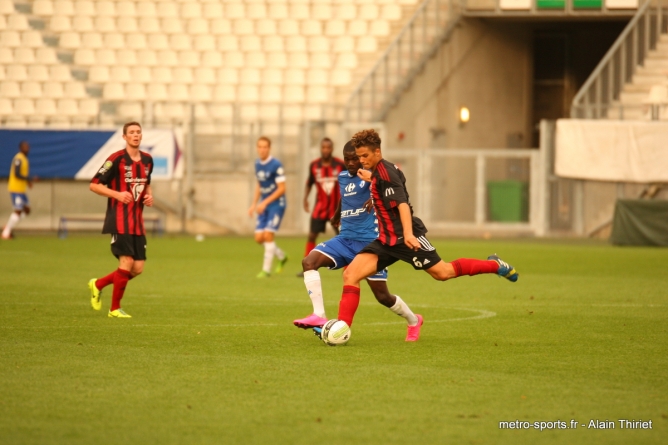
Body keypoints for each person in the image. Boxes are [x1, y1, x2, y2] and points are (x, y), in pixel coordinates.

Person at [336, 129, 519, 327]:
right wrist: (370, 178)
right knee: (350, 275)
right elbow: (381, 184)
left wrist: (407, 234)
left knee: (443, 273)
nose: (361, 160)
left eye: (365, 156)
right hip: (386, 240)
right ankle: (341, 329)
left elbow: (402, 205)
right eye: (359, 156)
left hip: (407, 237)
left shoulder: (387, 174)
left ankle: (495, 265)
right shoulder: (379, 173)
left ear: (377, 153)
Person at [294, 141, 423, 341]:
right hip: (345, 239)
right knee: (309, 262)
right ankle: (319, 315)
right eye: (348, 159)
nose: (352, 163)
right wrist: (337, 214)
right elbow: (345, 196)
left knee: (383, 297)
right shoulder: (343, 177)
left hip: (370, 245)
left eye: (356, 158)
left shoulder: (374, 176)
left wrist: (377, 196)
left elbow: (394, 189)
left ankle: (414, 320)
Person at [87, 122, 154, 318]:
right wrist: (117, 195)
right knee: (126, 261)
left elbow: (147, 184)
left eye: (138, 132)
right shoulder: (115, 159)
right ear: (124, 137)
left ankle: (98, 284)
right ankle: (114, 309)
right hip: (119, 219)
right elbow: (94, 185)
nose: (135, 135)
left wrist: (149, 197)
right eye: (131, 132)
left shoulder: (148, 160)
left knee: (137, 268)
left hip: (137, 222)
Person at [297, 138, 345, 277]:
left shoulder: (340, 165)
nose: (325, 150)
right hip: (320, 207)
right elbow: (309, 182)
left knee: (344, 236)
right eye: (323, 147)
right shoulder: (314, 165)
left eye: (328, 147)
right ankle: (307, 265)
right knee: (312, 235)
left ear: (332, 148)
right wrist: (305, 198)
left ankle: (347, 267)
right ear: (320, 148)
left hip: (337, 209)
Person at [248, 136, 288, 278]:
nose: (262, 149)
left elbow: (282, 189)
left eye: (265, 147)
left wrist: (264, 202)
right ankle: (281, 256)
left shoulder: (276, 165)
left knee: (268, 235)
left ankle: (266, 270)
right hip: (264, 205)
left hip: (277, 205)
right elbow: (260, 184)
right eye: (260, 146)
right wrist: (254, 204)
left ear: (269, 148)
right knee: (259, 238)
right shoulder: (257, 164)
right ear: (257, 148)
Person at [2, 141, 35, 240]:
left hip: (21, 189)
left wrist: (27, 182)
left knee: (27, 210)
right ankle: (6, 233)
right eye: (25, 147)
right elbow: (17, 173)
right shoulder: (19, 158)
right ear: (20, 148)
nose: (27, 149)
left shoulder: (25, 159)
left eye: (28, 147)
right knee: (18, 210)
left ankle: (8, 226)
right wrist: (28, 179)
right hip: (15, 188)